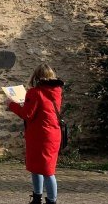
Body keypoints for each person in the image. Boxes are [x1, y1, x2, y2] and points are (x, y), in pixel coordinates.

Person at [7, 63, 64, 204]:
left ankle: (49, 200)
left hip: (40, 136)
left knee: (45, 170)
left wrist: (12, 105)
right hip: (53, 134)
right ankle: (41, 198)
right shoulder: (56, 92)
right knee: (40, 167)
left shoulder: (35, 92)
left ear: (36, 77)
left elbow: (27, 114)